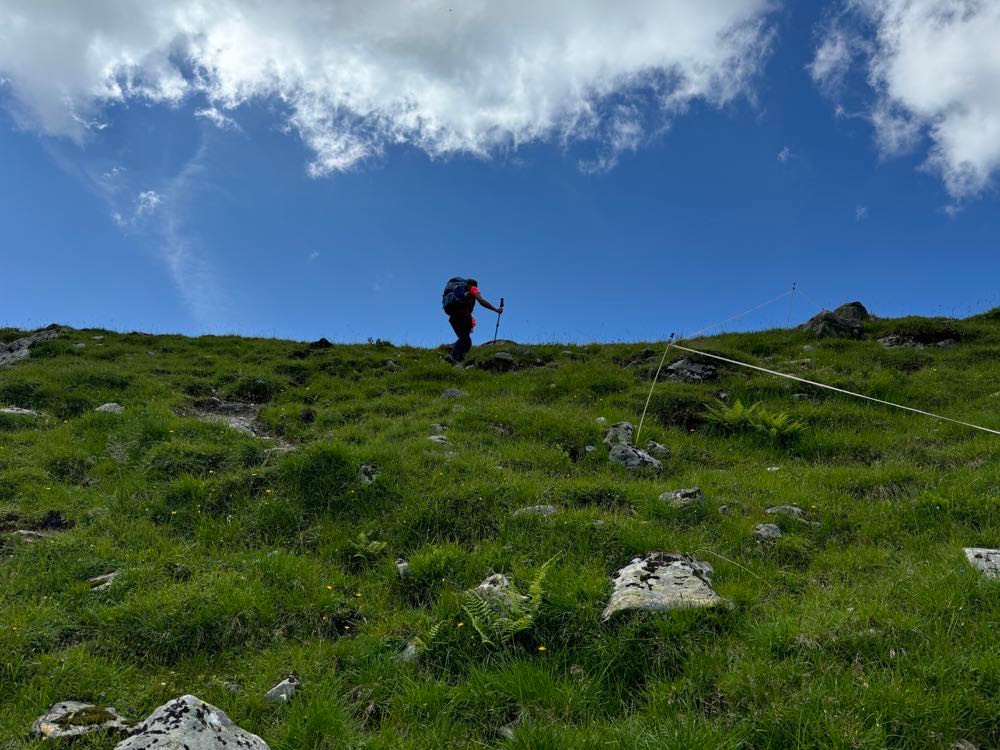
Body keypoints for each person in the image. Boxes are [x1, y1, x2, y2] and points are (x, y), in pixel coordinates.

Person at [441, 276, 503, 363]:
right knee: (465, 340)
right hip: (462, 315)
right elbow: (482, 302)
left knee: (466, 341)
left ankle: (459, 359)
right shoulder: (473, 288)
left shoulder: (458, 291)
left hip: (453, 316)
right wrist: (496, 310)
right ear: (474, 285)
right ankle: (452, 356)